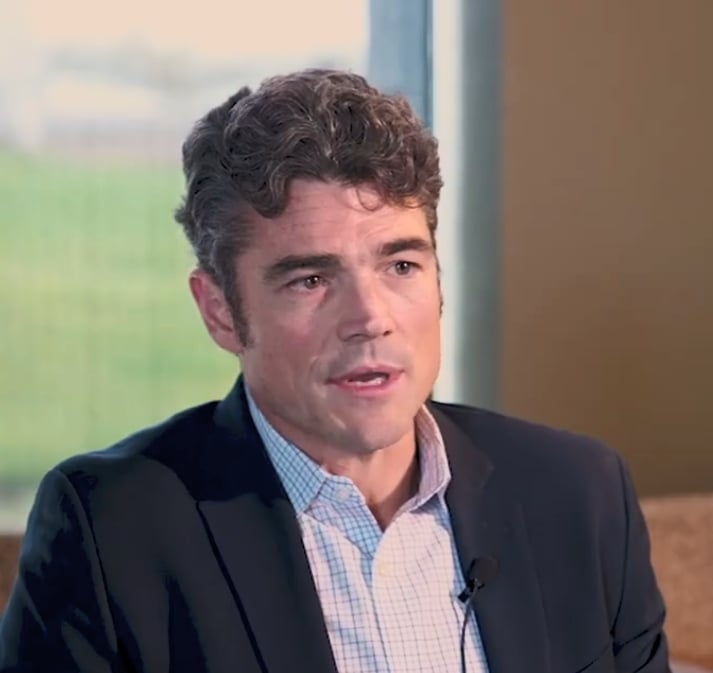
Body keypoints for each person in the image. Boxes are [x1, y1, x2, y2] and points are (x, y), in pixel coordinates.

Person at [0, 69, 670, 673]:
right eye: (312, 279)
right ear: (220, 311)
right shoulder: (110, 529)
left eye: (401, 265)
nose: (370, 317)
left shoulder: (579, 494)